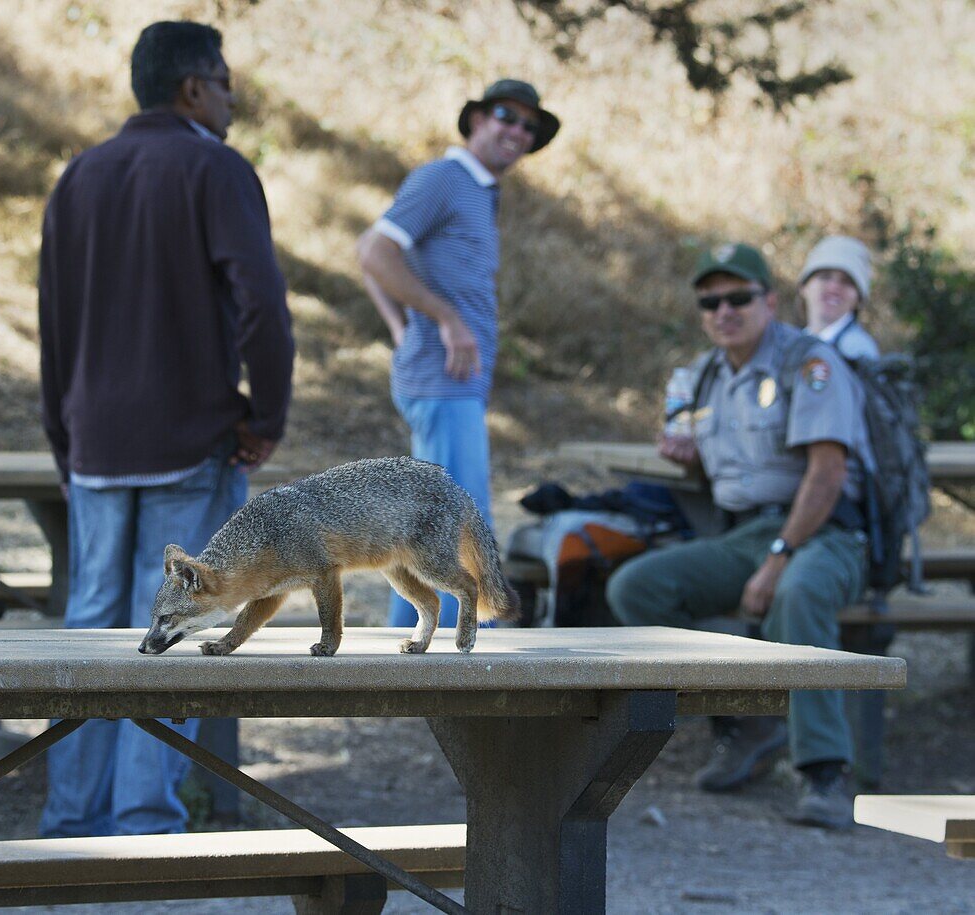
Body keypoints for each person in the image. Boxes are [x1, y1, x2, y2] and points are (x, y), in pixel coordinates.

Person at [37, 20, 294, 837]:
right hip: (190, 436)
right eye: (223, 80)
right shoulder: (216, 168)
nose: (232, 94)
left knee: (90, 627)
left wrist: (63, 438)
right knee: (176, 624)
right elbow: (262, 302)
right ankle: (143, 822)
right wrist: (267, 414)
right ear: (191, 88)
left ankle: (70, 817)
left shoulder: (79, 176)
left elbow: (52, 324)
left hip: (95, 441)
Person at [607, 243, 873, 830]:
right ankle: (747, 718)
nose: (724, 311)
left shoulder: (809, 362)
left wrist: (777, 558)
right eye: (710, 301)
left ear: (770, 302)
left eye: (738, 298)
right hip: (743, 534)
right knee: (636, 589)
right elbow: (721, 474)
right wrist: (687, 458)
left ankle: (825, 772)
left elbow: (827, 473)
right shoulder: (704, 376)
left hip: (824, 532)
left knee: (796, 595)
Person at [356, 79, 560, 627]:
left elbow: (366, 249)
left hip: (451, 383)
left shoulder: (479, 190)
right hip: (442, 383)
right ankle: (452, 671)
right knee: (459, 527)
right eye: (505, 116)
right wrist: (440, 319)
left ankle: (413, 661)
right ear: (475, 119)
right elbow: (376, 251)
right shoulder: (445, 178)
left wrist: (405, 323)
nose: (516, 131)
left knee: (428, 525)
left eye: (528, 126)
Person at [798, 235, 880, 360]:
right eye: (825, 276)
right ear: (804, 287)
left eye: (847, 281)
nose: (833, 288)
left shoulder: (857, 354)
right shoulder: (793, 345)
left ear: (859, 299)